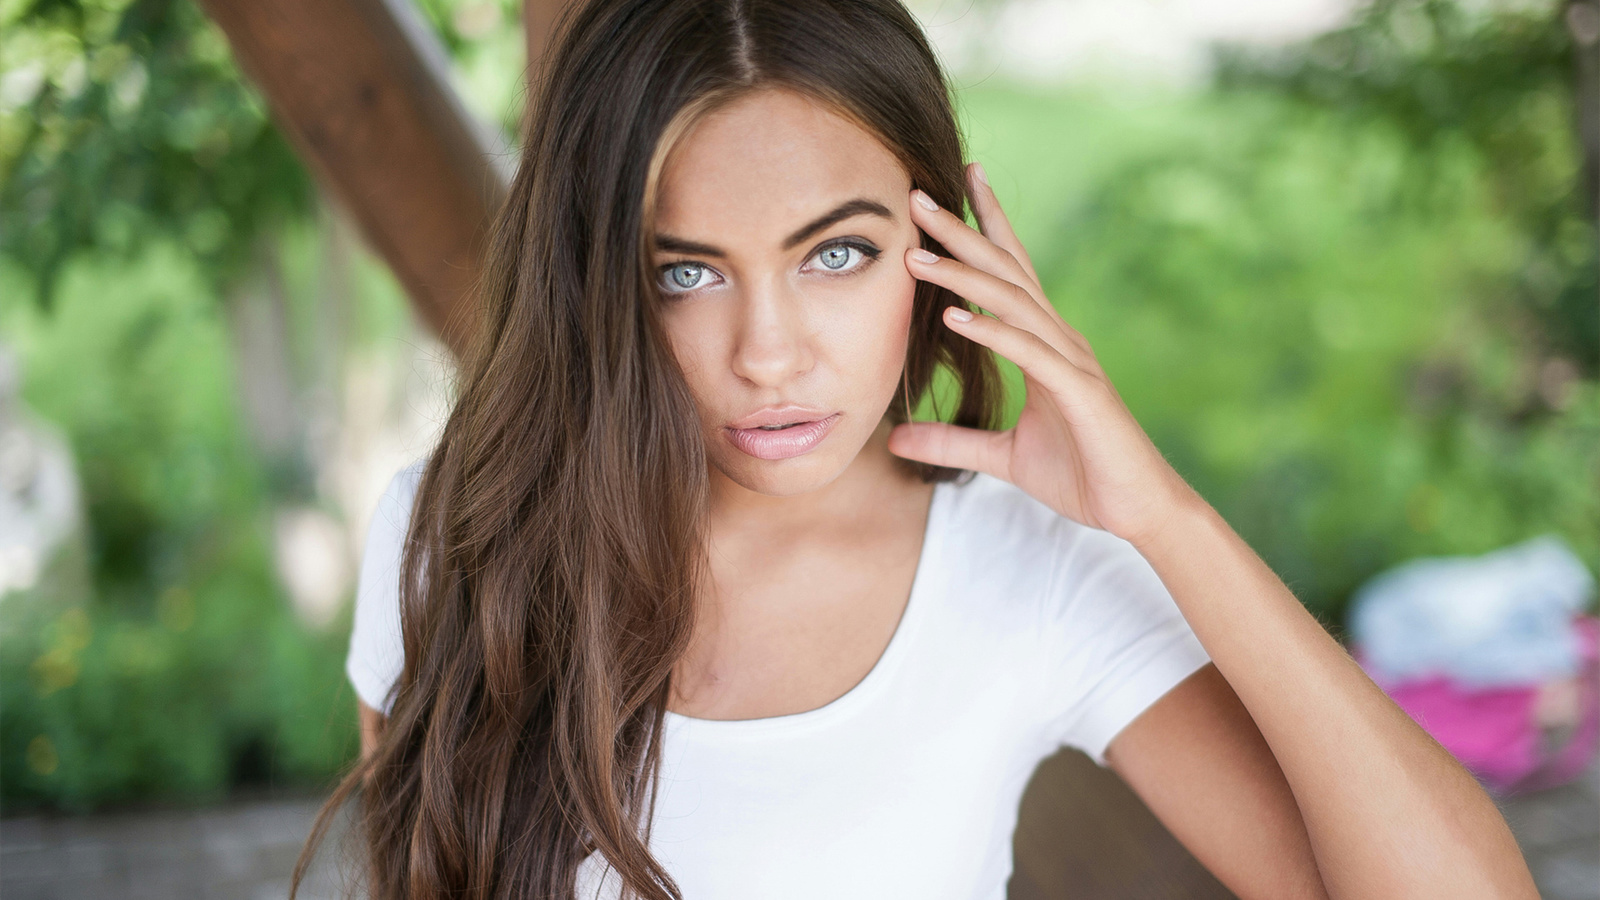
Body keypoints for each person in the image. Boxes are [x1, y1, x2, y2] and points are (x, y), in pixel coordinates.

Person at [294, 0, 1538, 898]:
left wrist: (1169, 521)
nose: (768, 353)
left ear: (935, 256)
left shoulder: (1027, 568)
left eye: (835, 253)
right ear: (596, 282)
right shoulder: (454, 534)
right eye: (684, 273)